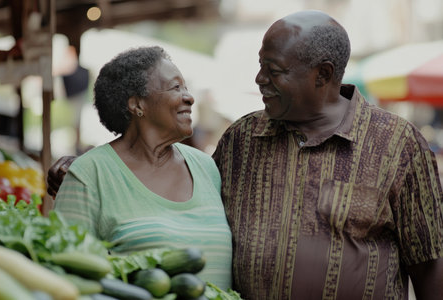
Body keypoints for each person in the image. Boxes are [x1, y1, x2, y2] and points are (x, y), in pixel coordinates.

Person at [47, 10, 443, 300]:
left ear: (322, 75)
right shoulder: (241, 139)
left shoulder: (397, 146)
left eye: (274, 70)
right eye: (260, 66)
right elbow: (167, 197)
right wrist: (85, 171)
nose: (259, 80)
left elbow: (431, 266)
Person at [51, 46, 232, 290]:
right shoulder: (88, 174)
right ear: (137, 105)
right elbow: (65, 280)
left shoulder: (206, 167)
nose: (189, 97)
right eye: (175, 87)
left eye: (186, 87)